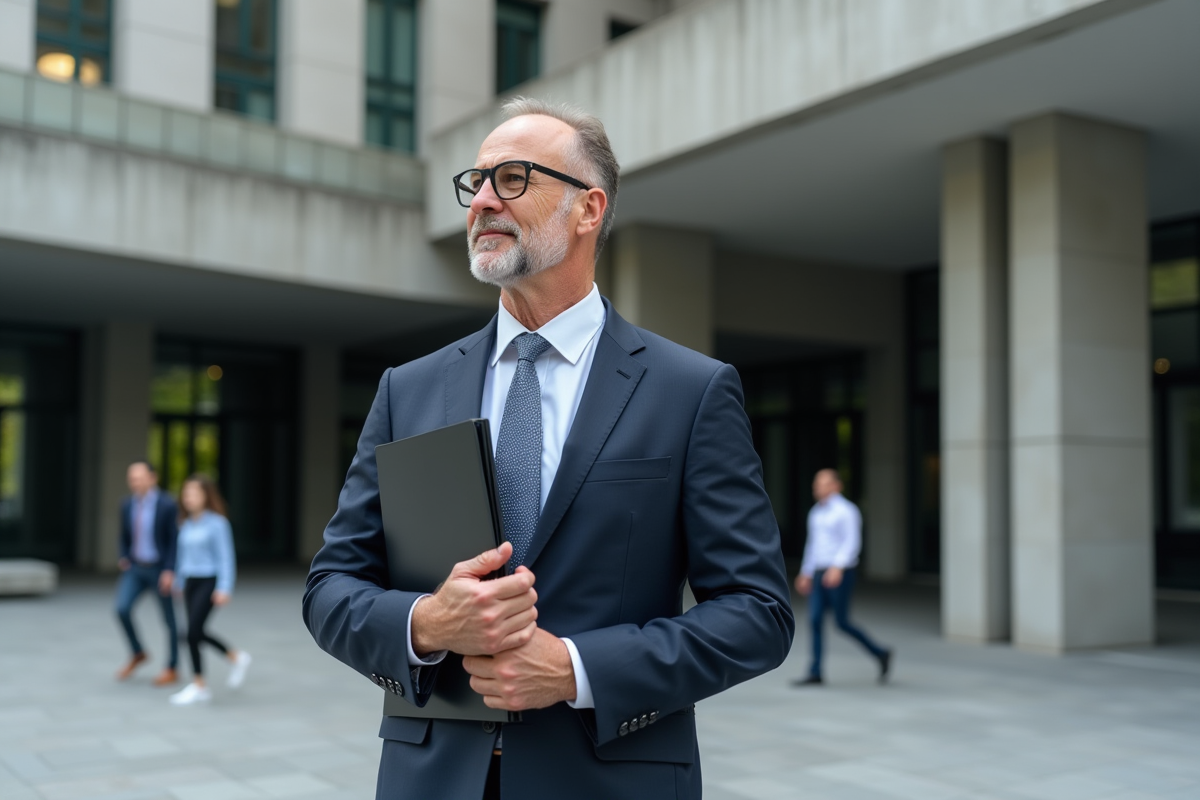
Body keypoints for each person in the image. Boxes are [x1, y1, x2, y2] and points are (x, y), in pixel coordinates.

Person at [303, 97, 795, 800]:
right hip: (431, 779)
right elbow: (330, 589)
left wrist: (575, 668)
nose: (482, 203)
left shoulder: (691, 392)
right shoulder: (406, 390)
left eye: (513, 179)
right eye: (476, 183)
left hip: (610, 779)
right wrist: (425, 623)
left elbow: (757, 612)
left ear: (588, 208)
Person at [792, 468, 892, 686]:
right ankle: (815, 671)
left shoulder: (847, 510)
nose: (817, 488)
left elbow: (851, 542)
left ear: (836, 486)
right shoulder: (816, 512)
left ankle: (880, 652)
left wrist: (837, 568)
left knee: (842, 622)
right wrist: (806, 573)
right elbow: (813, 546)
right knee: (815, 620)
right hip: (819, 573)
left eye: (823, 483)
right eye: (816, 484)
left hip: (840, 573)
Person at [168, 474, 251, 705]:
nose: (189, 498)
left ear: (206, 495)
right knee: (195, 633)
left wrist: (225, 587)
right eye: (186, 494)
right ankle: (231, 661)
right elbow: (182, 556)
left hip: (209, 581)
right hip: (191, 582)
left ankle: (203, 682)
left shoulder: (218, 523)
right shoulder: (185, 523)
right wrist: (178, 581)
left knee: (192, 632)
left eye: (194, 493)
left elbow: (226, 558)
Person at [115, 460, 180, 686]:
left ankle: (172, 666)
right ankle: (137, 652)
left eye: (140, 478)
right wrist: (124, 556)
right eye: (132, 479)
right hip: (135, 568)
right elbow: (124, 535)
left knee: (169, 620)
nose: (135, 483)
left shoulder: (167, 504)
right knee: (121, 608)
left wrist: (170, 570)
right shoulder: (126, 504)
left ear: (153, 478)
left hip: (159, 569)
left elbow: (174, 540)